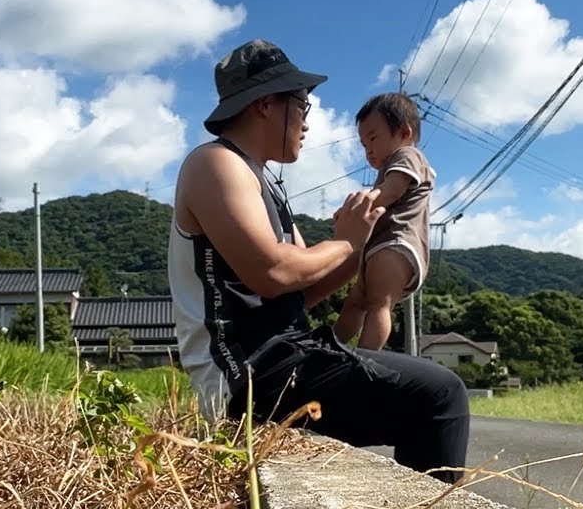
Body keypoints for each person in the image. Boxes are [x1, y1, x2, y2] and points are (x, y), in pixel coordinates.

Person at [167, 39, 469, 483]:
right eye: (303, 106)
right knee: (439, 395)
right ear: (266, 104)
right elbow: (274, 272)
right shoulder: (215, 163)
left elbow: (300, 290)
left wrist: (359, 243)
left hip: (281, 362)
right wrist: (346, 244)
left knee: (432, 395)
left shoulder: (263, 182)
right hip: (248, 376)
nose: (308, 122)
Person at [333, 93, 435, 350]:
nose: (368, 150)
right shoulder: (392, 161)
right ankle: (331, 347)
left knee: (380, 302)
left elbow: (391, 191)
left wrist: (356, 209)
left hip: (397, 242)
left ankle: (365, 359)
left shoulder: (408, 155)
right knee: (356, 301)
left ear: (403, 132)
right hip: (380, 245)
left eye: (373, 139)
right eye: (363, 144)